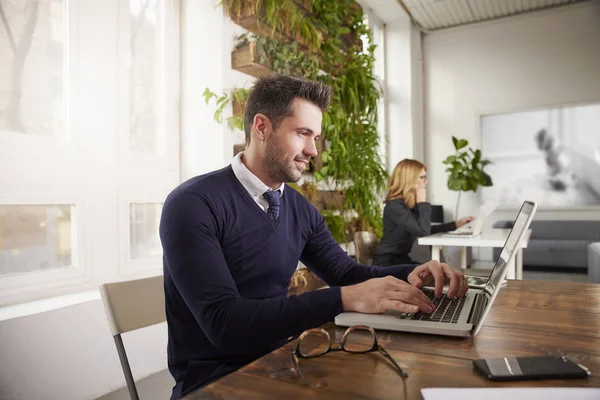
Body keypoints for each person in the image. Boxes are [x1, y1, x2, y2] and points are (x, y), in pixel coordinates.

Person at [159, 76, 469, 399]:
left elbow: (348, 274)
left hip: (282, 363)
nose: (313, 150)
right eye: (303, 133)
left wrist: (411, 274)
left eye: (316, 137)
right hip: (215, 384)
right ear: (261, 128)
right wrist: (344, 298)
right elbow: (225, 325)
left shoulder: (297, 208)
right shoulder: (193, 205)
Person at [372, 159, 474, 267]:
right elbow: (423, 231)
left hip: (401, 260)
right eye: (422, 177)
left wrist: (455, 224)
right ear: (409, 180)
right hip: (387, 264)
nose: (426, 182)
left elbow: (424, 228)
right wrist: (422, 202)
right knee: (435, 272)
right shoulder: (394, 206)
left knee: (438, 271)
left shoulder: (407, 205)